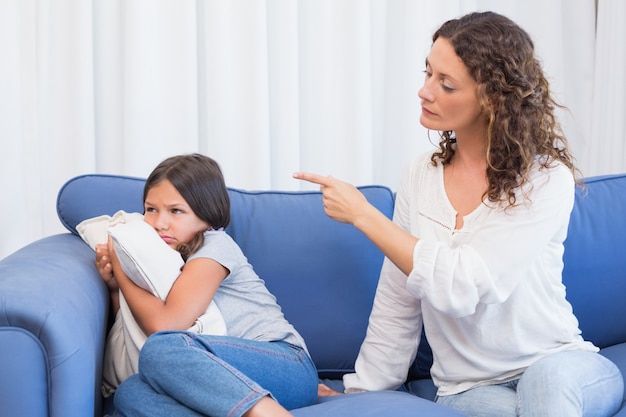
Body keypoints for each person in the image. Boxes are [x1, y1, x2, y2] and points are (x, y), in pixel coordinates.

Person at [294, 11, 624, 417]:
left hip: (561, 365)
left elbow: (465, 284)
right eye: (427, 73)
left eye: (445, 83)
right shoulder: (421, 174)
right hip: (467, 387)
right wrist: (363, 391)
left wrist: (364, 216)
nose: (424, 91)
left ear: (492, 98)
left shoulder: (545, 179)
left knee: (546, 388)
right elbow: (399, 299)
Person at [95, 153, 318, 417]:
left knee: (162, 350)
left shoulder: (215, 246)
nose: (159, 223)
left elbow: (165, 327)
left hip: (285, 364)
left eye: (176, 211)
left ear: (208, 217)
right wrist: (114, 289)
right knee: (131, 392)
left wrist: (121, 267)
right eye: (151, 209)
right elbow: (134, 334)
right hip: (222, 375)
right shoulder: (161, 259)